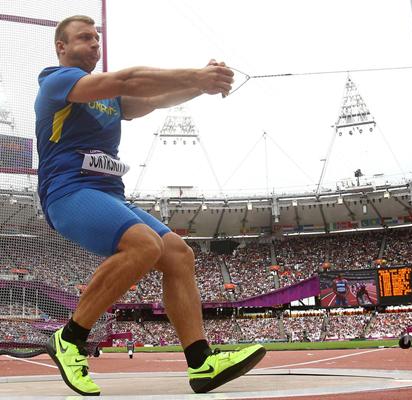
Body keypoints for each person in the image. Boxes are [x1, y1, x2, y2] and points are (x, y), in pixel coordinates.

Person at [36, 15, 265, 396]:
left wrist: (200, 87)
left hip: (108, 194)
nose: (94, 44)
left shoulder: (108, 98)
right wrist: (194, 75)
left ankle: (201, 362)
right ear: (62, 47)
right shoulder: (57, 81)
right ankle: (70, 338)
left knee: (178, 253)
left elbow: (153, 100)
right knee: (145, 244)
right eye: (84, 38)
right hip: (68, 191)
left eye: (96, 37)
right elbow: (128, 79)